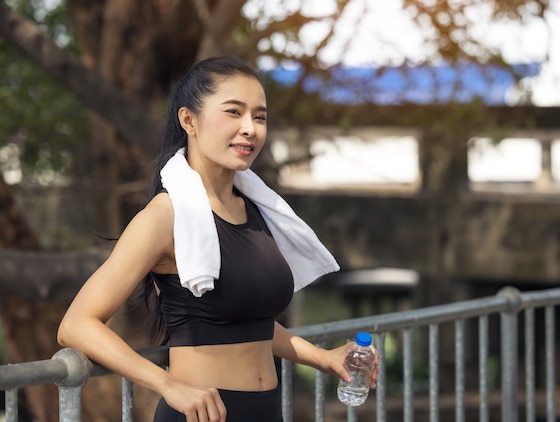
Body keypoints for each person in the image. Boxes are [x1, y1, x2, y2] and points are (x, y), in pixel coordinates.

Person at [57, 56, 378, 422]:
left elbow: (246, 323)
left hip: (267, 411)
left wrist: (323, 357)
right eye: (234, 112)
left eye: (259, 117)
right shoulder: (167, 216)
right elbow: (76, 324)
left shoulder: (256, 210)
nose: (250, 128)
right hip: (201, 415)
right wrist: (167, 384)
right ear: (188, 120)